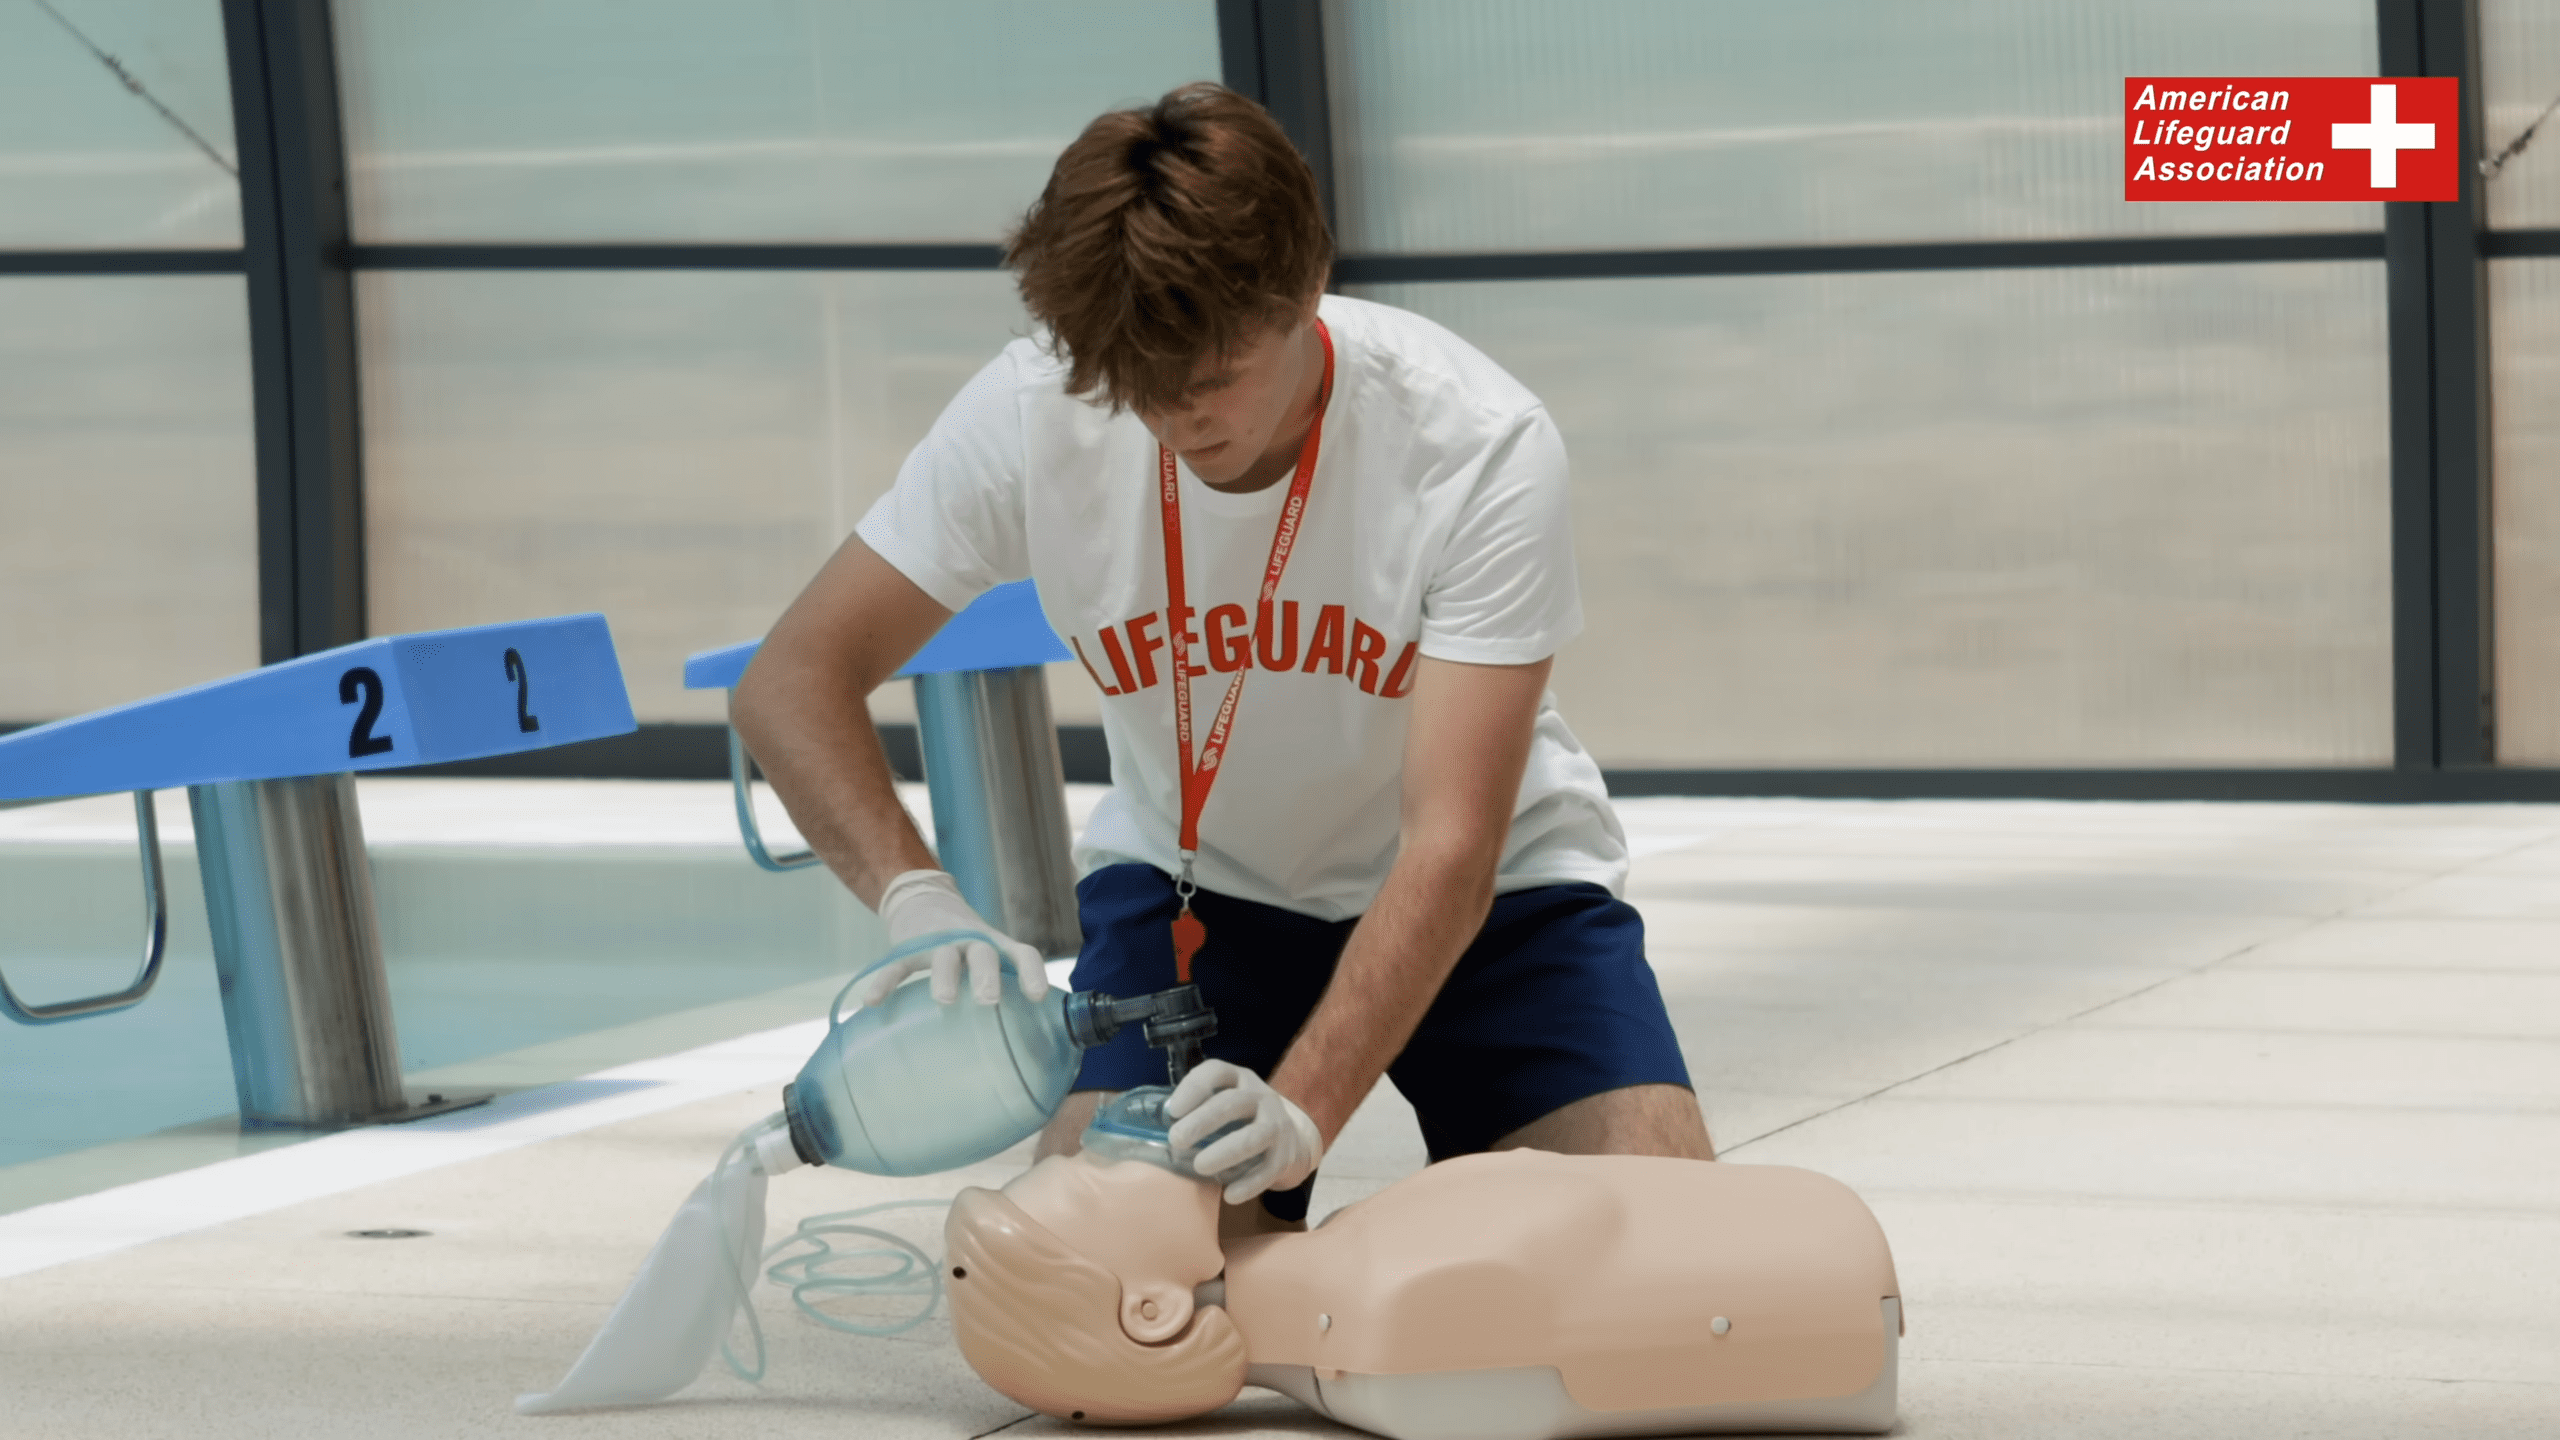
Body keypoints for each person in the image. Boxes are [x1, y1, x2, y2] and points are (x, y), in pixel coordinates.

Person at [730, 81, 1710, 1238]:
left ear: (1305, 288)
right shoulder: (1038, 406)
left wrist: (1300, 1110)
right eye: (1132, 386)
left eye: (1208, 380)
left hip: (1493, 898)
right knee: (1095, 1300)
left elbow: (1450, 843)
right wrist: (916, 897)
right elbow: (789, 679)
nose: (1171, 420)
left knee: (1656, 1256)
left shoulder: (1474, 443)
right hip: (1200, 898)